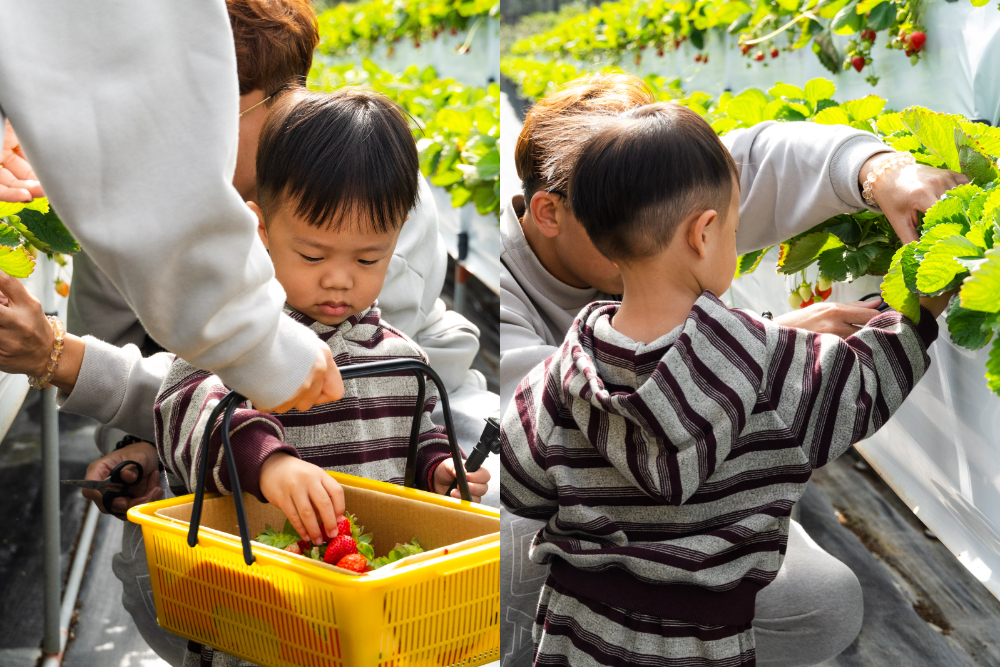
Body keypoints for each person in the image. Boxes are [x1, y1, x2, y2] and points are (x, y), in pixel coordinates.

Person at [498, 72, 965, 667]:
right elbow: (863, 385)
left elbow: (520, 485)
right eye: (735, 227)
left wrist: (879, 171)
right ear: (703, 233)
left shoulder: (554, 379)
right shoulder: (770, 367)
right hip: (710, 641)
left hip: (579, 635)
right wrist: (918, 308)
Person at [156, 87, 489, 667]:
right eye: (312, 256)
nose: (340, 279)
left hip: (369, 625)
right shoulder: (236, 344)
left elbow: (417, 436)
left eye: (368, 259)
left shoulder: (401, 358)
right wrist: (269, 463)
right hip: (256, 617)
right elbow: (183, 405)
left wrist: (438, 469)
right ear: (260, 230)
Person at [0, 0, 342, 413]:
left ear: (288, 102)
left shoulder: (354, 199)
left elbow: (361, 386)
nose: (181, 142)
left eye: (210, 121)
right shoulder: (125, 212)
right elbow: (112, 360)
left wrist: (59, 355)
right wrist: (133, 443)